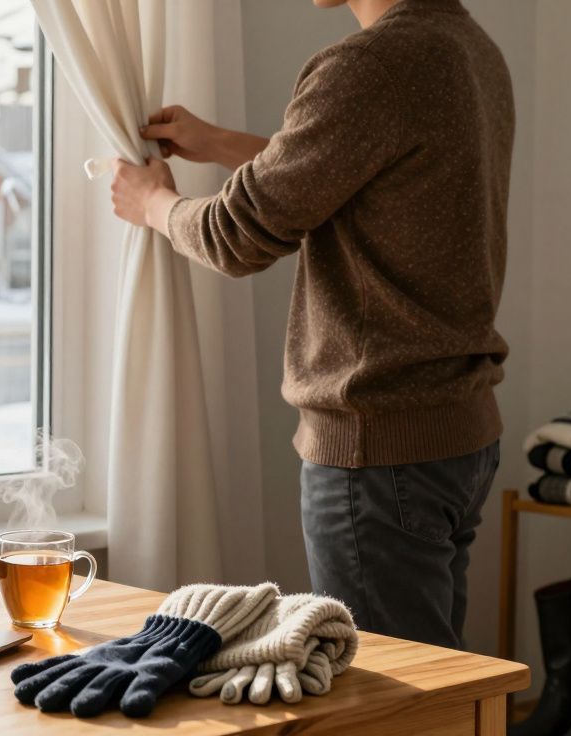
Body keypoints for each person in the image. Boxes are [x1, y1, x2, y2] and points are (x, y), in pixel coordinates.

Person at [109, 0, 513, 650]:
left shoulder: (368, 64)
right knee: (433, 683)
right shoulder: (465, 47)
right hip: (457, 433)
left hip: (377, 447)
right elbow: (362, 173)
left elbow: (234, 237)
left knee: (385, 702)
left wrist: (152, 203)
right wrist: (217, 143)